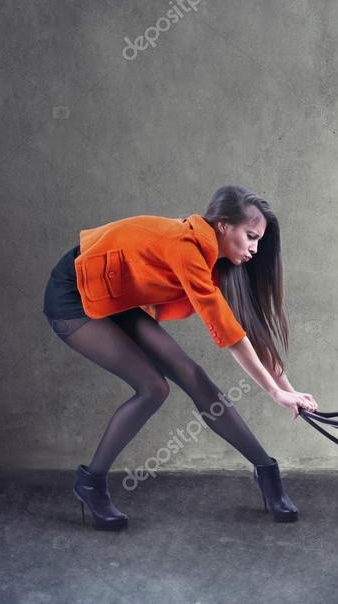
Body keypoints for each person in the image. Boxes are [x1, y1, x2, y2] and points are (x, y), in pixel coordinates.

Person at [41, 184, 319, 530]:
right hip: (73, 294)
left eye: (259, 240)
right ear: (222, 225)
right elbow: (230, 337)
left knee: (194, 375)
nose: (254, 248)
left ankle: (266, 472)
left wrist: (288, 389)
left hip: (110, 294)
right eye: (250, 236)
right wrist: (275, 394)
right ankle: (91, 482)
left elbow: (246, 329)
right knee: (153, 388)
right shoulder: (186, 248)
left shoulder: (216, 261)